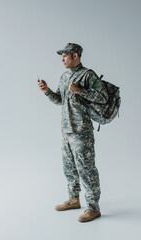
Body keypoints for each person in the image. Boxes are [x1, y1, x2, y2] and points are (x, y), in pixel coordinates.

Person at [37, 43, 108, 222]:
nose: (62, 59)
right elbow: (60, 100)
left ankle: (93, 208)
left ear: (75, 56)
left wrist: (81, 91)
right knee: (69, 168)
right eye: (62, 56)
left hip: (82, 132)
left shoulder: (87, 75)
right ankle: (73, 199)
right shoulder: (64, 76)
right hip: (66, 131)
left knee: (86, 169)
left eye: (65, 56)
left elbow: (103, 97)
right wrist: (47, 91)